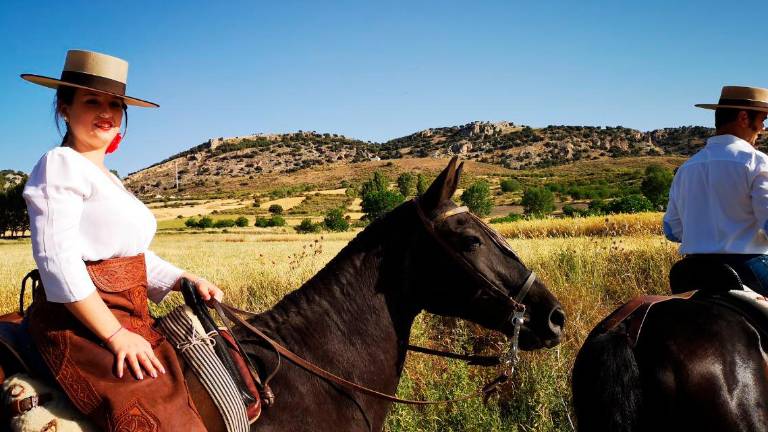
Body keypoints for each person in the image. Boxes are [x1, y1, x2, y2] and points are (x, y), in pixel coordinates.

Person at [19, 49, 222, 431]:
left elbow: (136, 256)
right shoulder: (60, 164)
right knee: (156, 417)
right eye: (91, 100)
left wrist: (183, 280)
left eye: (115, 104)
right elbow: (56, 261)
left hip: (131, 315)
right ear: (64, 107)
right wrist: (114, 334)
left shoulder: (111, 180)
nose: (106, 112)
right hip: (80, 324)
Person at [663, 85, 768, 293]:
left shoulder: (686, 168)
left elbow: (672, 230)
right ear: (744, 118)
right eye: (763, 120)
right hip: (747, 270)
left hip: (691, 272)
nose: (763, 128)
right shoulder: (758, 163)